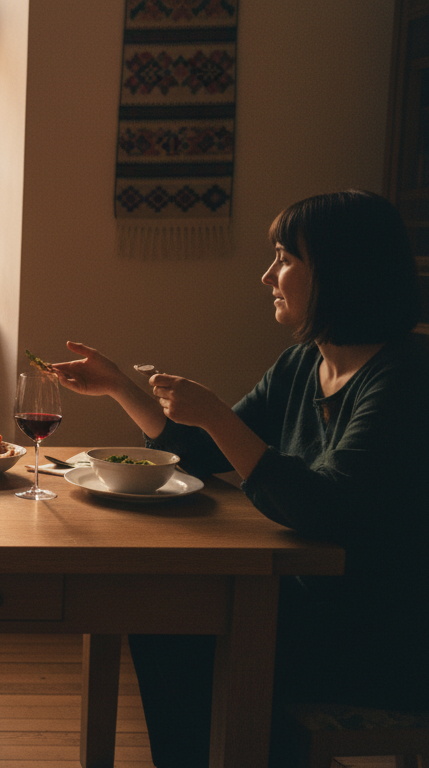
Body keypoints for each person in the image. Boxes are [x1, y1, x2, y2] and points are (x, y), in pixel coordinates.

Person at [50, 189, 429, 767]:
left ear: (337, 269)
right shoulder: (304, 363)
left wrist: (218, 416)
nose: (266, 276)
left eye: (284, 258)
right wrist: (120, 387)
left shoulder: (403, 377)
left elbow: (327, 508)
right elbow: (201, 453)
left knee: (177, 632)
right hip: (309, 599)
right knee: (159, 614)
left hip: (380, 633)